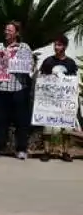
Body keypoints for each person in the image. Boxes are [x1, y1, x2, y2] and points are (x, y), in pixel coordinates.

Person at [0, 21, 33, 161]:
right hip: (1, 89)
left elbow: (30, 65)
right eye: (5, 29)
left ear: (17, 33)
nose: (7, 32)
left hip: (18, 89)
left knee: (21, 122)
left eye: (10, 30)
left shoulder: (24, 47)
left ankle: (21, 149)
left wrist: (16, 53)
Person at [38, 34, 78, 162]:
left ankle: (66, 152)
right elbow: (41, 77)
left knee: (66, 127)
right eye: (55, 44)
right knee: (47, 127)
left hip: (65, 101)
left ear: (65, 46)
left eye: (59, 45)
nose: (56, 47)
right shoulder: (48, 61)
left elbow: (74, 81)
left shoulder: (71, 63)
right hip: (50, 100)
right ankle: (46, 152)